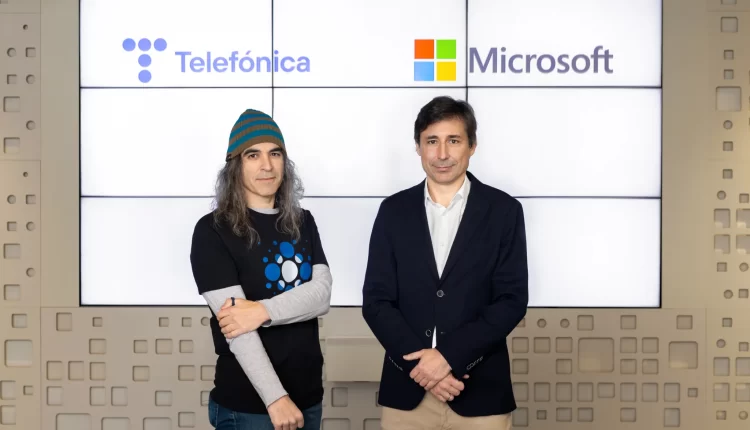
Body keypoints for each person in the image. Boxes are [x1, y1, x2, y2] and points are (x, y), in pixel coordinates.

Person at [362, 96, 528, 429]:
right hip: (408, 394)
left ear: (472, 145)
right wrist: (423, 370)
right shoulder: (393, 212)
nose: (441, 154)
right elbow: (377, 302)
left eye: (453, 141)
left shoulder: (504, 211)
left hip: (480, 393)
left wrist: (448, 358)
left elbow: (510, 301)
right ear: (418, 147)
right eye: (431, 141)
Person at [190, 109, 332, 430]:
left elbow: (321, 296)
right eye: (253, 155)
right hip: (250, 407)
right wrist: (275, 398)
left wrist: (261, 311)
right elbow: (237, 328)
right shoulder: (213, 231)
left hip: (309, 397)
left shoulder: (303, 221)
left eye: (275, 154)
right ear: (235, 165)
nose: (267, 165)